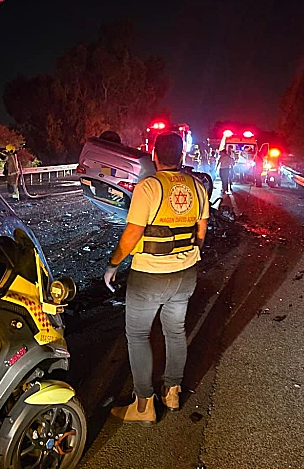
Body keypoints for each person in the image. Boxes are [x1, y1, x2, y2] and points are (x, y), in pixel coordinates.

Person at [104, 131, 209, 423]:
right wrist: (188, 256)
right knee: (175, 332)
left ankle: (143, 405)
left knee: (138, 335)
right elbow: (201, 232)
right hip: (185, 274)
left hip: (149, 276)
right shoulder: (198, 187)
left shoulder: (148, 187)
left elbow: (132, 234)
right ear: (183, 156)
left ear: (153, 155)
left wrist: (113, 265)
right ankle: (172, 391)